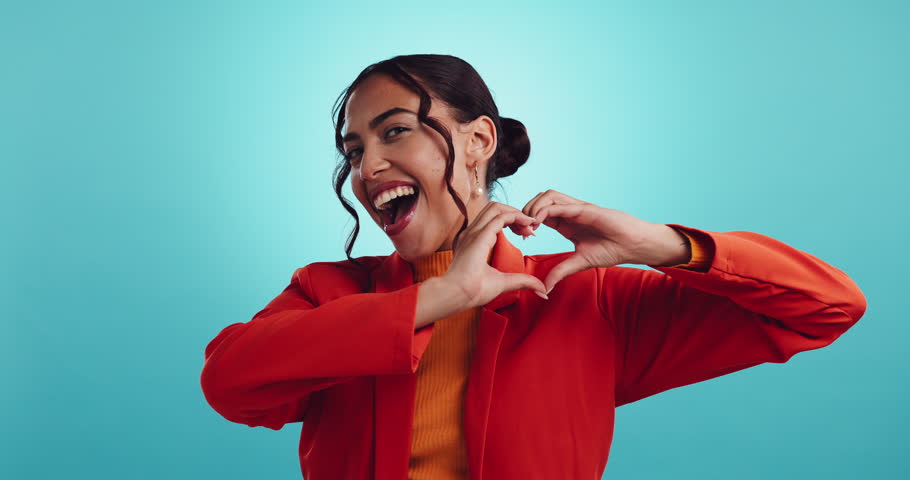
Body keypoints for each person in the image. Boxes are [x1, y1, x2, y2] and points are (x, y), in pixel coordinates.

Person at [199, 54, 867, 480]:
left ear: (477, 140)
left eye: (395, 131)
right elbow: (230, 382)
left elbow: (828, 306)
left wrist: (659, 244)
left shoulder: (585, 299)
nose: (367, 166)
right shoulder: (327, 291)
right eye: (354, 149)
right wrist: (440, 298)